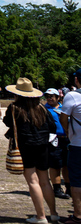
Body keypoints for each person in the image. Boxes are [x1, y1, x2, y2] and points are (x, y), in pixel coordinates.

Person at [4, 77, 58, 224]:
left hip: (26, 147)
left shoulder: (14, 108)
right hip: (42, 146)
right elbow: (52, 126)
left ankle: (41, 217)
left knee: (33, 182)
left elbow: (7, 122)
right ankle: (53, 213)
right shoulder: (41, 108)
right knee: (45, 181)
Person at [60, 69, 81, 224]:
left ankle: (78, 216)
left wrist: (68, 134)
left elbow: (64, 118)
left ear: (76, 80)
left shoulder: (72, 96)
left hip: (77, 144)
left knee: (77, 181)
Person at [45, 89, 71, 200]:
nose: (50, 98)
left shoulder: (64, 108)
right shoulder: (44, 109)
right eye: (48, 96)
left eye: (52, 96)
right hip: (53, 140)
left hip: (67, 139)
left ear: (58, 97)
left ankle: (69, 188)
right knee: (55, 165)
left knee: (67, 165)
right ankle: (57, 189)